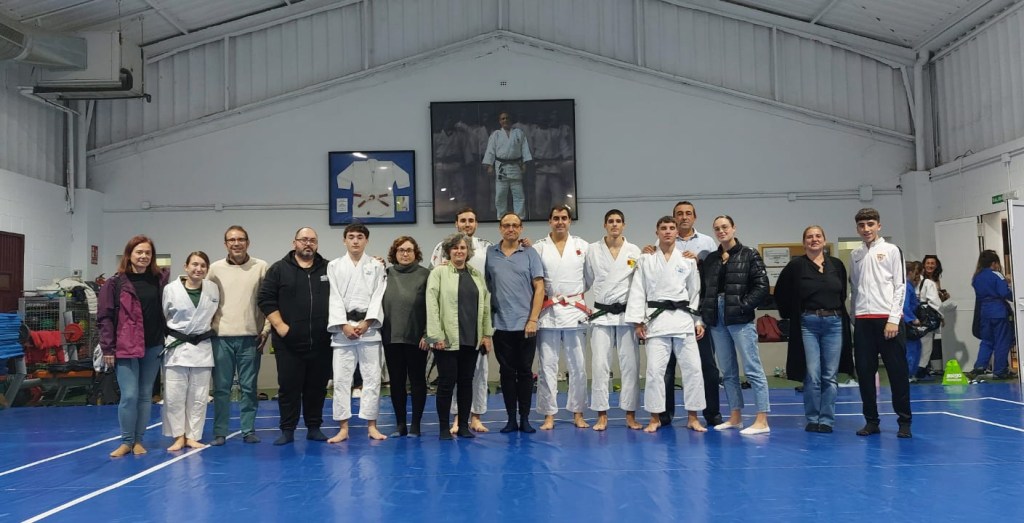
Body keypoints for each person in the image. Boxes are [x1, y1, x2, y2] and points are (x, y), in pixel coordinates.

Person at [626, 216, 706, 433]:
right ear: (657, 232)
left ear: (677, 233)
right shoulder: (646, 259)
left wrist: (697, 320)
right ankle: (655, 418)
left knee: (693, 370)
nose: (668, 231)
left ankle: (693, 417)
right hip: (656, 321)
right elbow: (638, 290)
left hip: (683, 320)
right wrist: (638, 322)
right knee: (654, 372)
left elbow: (695, 293)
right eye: (664, 228)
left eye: (672, 228)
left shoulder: (688, 261)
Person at [648, 201, 722, 428]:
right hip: (664, 316)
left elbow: (712, 276)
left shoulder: (707, 242)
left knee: (705, 366)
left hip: (694, 311)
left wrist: (698, 262)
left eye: (688, 213)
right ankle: (664, 415)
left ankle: (710, 413)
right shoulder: (660, 243)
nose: (683, 217)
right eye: (679, 214)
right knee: (665, 369)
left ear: (694, 217)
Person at [773, 226, 854, 434]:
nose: (814, 239)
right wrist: (790, 314)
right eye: (809, 237)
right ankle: (812, 417)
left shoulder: (836, 265)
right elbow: (781, 292)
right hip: (807, 324)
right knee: (812, 373)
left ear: (824, 241)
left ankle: (826, 419)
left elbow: (842, 293)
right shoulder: (796, 266)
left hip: (834, 323)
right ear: (804, 243)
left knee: (830, 375)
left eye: (818, 236)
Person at [98, 235, 170, 457]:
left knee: (145, 395)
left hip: (153, 345)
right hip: (126, 346)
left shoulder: (159, 280)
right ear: (129, 255)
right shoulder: (115, 283)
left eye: (148, 253)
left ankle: (139, 440)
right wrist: (108, 348)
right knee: (129, 395)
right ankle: (126, 440)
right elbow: (105, 317)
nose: (144, 256)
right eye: (139, 252)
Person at [258, 227, 332, 445]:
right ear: (294, 243)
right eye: (303, 240)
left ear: (317, 244)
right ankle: (288, 430)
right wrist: (280, 326)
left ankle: (314, 427)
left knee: (317, 388)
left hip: (321, 342)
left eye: (312, 240)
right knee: (289, 388)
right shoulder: (278, 269)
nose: (308, 244)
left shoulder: (329, 268)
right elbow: (265, 299)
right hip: (288, 343)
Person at [701, 216, 771, 435]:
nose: (721, 231)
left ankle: (762, 419)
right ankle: (735, 417)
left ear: (733, 228)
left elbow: (762, 286)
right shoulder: (711, 259)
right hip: (717, 318)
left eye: (725, 227)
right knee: (728, 372)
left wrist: (743, 305)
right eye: (717, 228)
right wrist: (707, 312)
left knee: (753, 368)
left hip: (740, 318)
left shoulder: (749, 254)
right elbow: (704, 290)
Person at [430, 207, 494, 433]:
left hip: (472, 331)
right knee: (448, 381)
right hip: (447, 332)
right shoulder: (439, 265)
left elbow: (485, 301)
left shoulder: (482, 258)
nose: (467, 224)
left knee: (473, 378)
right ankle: (449, 423)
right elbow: (432, 301)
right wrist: (434, 334)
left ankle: (471, 419)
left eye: (471, 220)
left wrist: (486, 333)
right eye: (463, 220)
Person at [849, 208, 911, 438]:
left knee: (897, 373)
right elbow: (855, 288)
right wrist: (854, 316)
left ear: (878, 226)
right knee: (865, 375)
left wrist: (893, 319)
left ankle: (904, 422)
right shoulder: (855, 254)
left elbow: (900, 286)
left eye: (870, 224)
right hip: (863, 322)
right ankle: (871, 421)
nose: (866, 229)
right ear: (857, 228)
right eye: (862, 225)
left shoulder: (892, 250)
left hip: (888, 321)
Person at [207, 225, 269, 446]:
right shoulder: (214, 269)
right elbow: (206, 302)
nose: (236, 243)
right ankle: (220, 432)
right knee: (221, 389)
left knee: (249, 388)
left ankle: (248, 430)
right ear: (225, 244)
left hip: (251, 338)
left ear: (247, 242)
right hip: (221, 338)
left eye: (240, 239)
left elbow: (269, 301)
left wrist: (266, 330)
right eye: (232, 240)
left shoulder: (261, 267)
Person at [326, 223, 388, 442]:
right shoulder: (334, 265)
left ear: (366, 241)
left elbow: (379, 295)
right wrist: (343, 324)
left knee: (372, 379)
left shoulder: (376, 266)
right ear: (344, 240)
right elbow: (333, 296)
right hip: (343, 330)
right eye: (351, 237)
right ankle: (343, 428)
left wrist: (367, 322)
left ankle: (372, 426)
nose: (355, 241)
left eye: (360, 237)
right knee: (341, 380)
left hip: (368, 329)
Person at [486, 212, 545, 433]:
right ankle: (511, 419)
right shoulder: (490, 253)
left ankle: (525, 419)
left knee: (526, 372)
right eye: (506, 225)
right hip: (501, 325)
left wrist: (533, 319)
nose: (510, 229)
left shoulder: (530, 253)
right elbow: (486, 285)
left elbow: (540, 288)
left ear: (521, 229)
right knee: (506, 373)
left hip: (526, 325)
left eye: (514, 225)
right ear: (500, 228)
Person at [533, 205, 591, 430]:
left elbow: (589, 277)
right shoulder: (539, 247)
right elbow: (535, 279)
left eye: (564, 218)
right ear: (550, 221)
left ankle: (578, 412)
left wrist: (574, 296)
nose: (560, 222)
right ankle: (549, 414)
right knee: (547, 366)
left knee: (578, 365)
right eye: (556, 218)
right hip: (549, 312)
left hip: (574, 311)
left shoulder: (582, 246)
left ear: (570, 221)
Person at [584, 209, 643, 431]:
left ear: (624, 225)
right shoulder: (593, 250)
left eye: (618, 221)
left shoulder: (634, 250)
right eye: (611, 221)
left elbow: (639, 285)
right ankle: (602, 415)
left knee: (631, 366)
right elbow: (586, 280)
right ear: (605, 225)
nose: (614, 224)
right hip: (601, 315)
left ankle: (630, 414)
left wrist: (640, 317)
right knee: (600, 365)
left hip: (627, 315)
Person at [161, 251, 218, 451]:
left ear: (207, 269)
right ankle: (178, 436)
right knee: (174, 395)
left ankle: (193, 436)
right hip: (177, 347)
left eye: (203, 265)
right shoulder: (171, 289)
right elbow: (163, 316)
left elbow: (214, 317)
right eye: (194, 264)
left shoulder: (212, 289)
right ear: (186, 266)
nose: (198, 269)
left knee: (199, 396)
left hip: (202, 347)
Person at [382, 236, 430, 437]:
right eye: (401, 250)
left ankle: (416, 425)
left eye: (409, 250)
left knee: (418, 382)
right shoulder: (385, 274)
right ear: (395, 253)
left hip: (417, 339)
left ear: (415, 253)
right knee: (396, 382)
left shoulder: (426, 274)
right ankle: (400, 424)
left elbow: (433, 307)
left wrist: (428, 334)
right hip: (391, 337)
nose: (405, 253)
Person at [968, 249, 1016, 380]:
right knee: (1002, 341)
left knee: (987, 340)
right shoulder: (997, 275)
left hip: (984, 311)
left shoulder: (977, 277)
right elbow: (1004, 292)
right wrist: (1016, 296)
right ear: (994, 263)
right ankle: (1000, 370)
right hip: (998, 311)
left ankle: (980, 366)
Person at [482, 111, 532, 218]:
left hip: (516, 167)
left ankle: (519, 218)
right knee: (500, 196)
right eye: (503, 119)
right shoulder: (496, 134)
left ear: (511, 120)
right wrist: (489, 165)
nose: (505, 120)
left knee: (519, 195)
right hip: (501, 168)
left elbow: (524, 149)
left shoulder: (519, 133)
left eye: (507, 118)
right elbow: (491, 150)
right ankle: (501, 218)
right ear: (499, 121)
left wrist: (525, 163)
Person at [917, 255, 948, 378]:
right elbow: (934, 301)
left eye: (932, 263)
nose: (930, 265)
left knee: (926, 342)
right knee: (926, 343)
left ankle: (924, 367)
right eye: (928, 263)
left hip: (922, 313)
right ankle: (921, 368)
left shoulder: (935, 279)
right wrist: (941, 315)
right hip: (926, 314)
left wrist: (943, 296)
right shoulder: (926, 281)